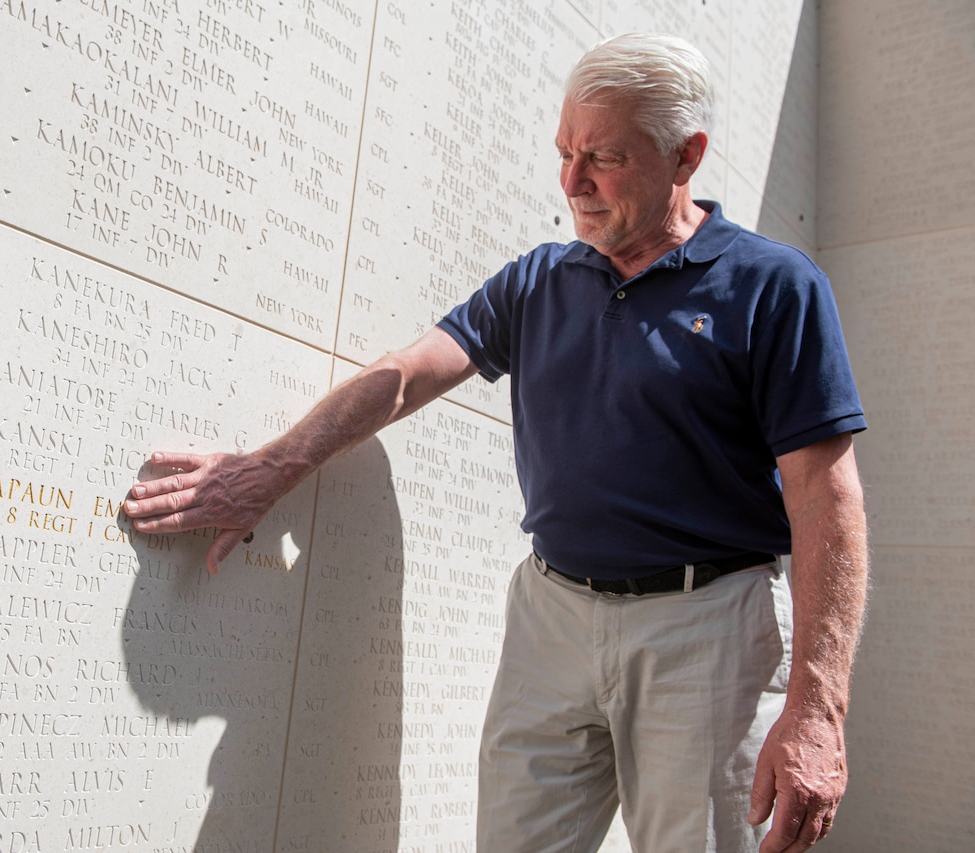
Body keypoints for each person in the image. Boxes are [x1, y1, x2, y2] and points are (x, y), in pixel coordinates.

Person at [122, 33, 868, 853]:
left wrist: (817, 711)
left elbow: (826, 499)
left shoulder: (773, 286)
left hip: (709, 630)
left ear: (685, 155)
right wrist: (269, 469)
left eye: (605, 157)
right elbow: (407, 374)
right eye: (565, 151)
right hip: (551, 616)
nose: (572, 183)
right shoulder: (539, 280)